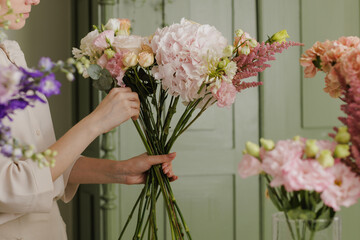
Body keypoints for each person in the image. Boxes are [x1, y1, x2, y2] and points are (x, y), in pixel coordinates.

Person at [0, 0, 178, 239]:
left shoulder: (8, 52)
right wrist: (96, 122)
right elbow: (13, 187)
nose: (34, 0)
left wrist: (120, 171)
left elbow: (40, 164)